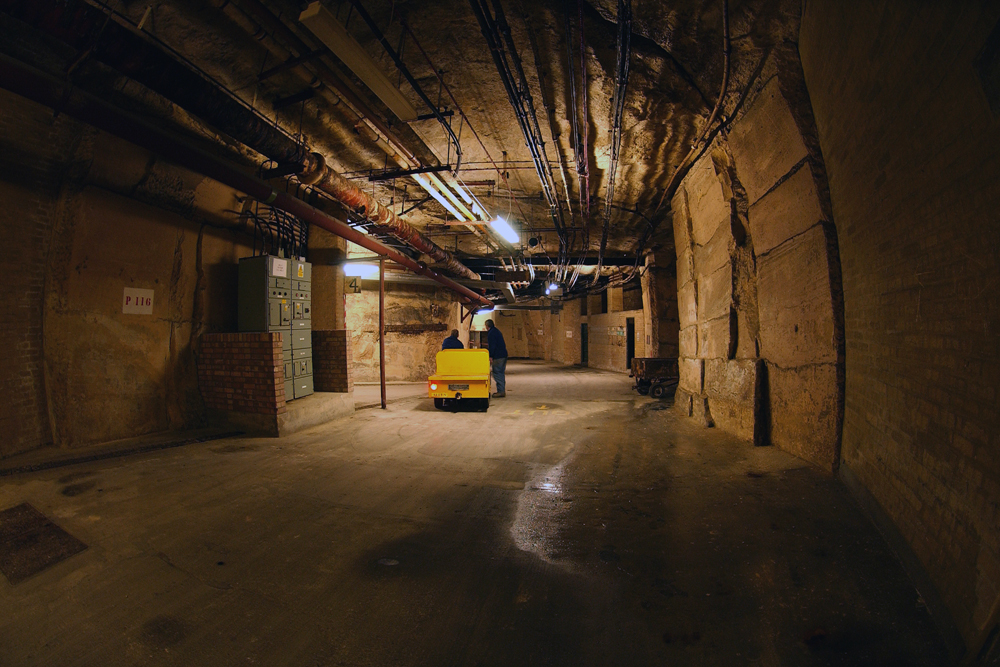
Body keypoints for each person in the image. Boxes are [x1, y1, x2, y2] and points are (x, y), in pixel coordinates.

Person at [485, 319, 507, 397]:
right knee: (501, 373)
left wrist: (491, 355)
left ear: (487, 326)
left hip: (498, 356)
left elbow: (492, 345)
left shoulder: (491, 333)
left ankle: (500, 391)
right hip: (503, 355)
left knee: (497, 372)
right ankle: (502, 390)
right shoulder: (497, 331)